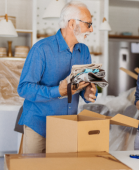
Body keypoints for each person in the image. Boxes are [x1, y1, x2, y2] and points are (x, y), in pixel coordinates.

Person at [17, 1, 97, 154]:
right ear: (72, 24)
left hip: (67, 125)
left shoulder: (84, 51)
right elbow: (24, 88)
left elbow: (85, 86)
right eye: (88, 24)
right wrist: (58, 91)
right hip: (39, 125)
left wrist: (88, 93)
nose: (91, 29)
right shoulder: (41, 49)